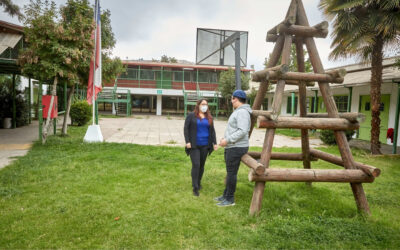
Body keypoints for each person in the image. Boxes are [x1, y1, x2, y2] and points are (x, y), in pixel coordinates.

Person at [215, 90, 252, 207]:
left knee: (231, 174)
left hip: (236, 147)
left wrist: (228, 140)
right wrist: (225, 138)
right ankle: (226, 195)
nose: (231, 101)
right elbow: (234, 129)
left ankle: (230, 199)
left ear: (235, 99)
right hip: (232, 146)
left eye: (232, 99)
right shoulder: (239, 111)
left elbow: (242, 130)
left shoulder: (242, 112)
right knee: (230, 173)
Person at [184, 99, 218, 196]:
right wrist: (187, 141)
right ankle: (195, 187)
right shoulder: (191, 115)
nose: (205, 106)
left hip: (205, 145)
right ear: (198, 105)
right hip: (194, 145)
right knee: (196, 164)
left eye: (206, 104)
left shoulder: (209, 117)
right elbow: (186, 128)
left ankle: (198, 183)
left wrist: (214, 143)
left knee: (201, 166)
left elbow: (212, 131)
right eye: (203, 104)